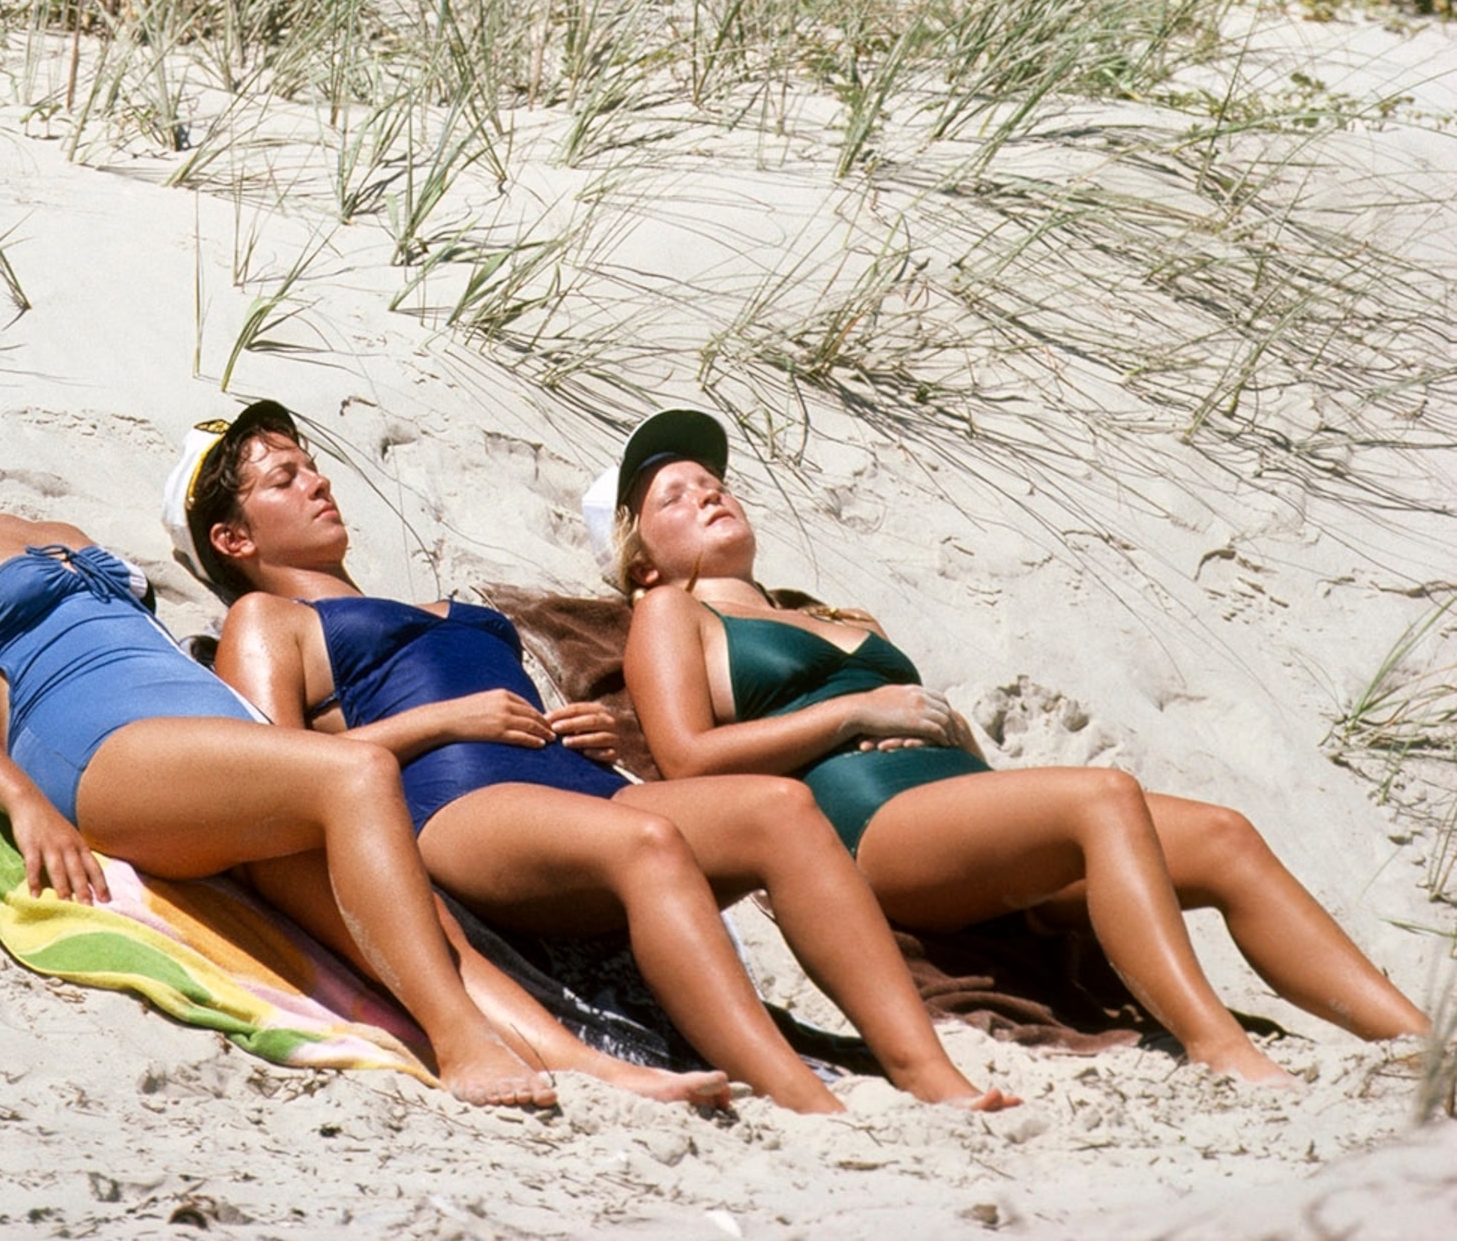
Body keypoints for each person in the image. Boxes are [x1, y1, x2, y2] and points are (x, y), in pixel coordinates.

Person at [187, 400, 1018, 1114]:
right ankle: (803, 1096)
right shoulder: (267, 620)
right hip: (457, 804)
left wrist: (606, 738)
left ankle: (926, 1071)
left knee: (780, 812)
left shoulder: (439, 606)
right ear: (233, 536)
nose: (319, 483)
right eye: (284, 479)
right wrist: (444, 721)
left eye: (312, 467)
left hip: (566, 782)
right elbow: (276, 775)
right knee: (646, 846)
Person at [0, 359, 564, 1108]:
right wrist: (22, 804)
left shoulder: (53, 524)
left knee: (412, 911)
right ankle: (463, 1047)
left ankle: (588, 1066)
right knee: (353, 777)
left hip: (205, 740)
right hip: (100, 745)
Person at [605, 407, 1432, 1089]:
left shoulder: (838, 614)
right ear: (642, 560)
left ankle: (1419, 1042)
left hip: (960, 807)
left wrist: (947, 729)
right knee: (1102, 794)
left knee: (1223, 835)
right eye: (675, 498)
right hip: (871, 826)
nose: (708, 493)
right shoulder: (675, 616)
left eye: (713, 482)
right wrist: (852, 714)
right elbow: (685, 758)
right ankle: (1219, 1044)